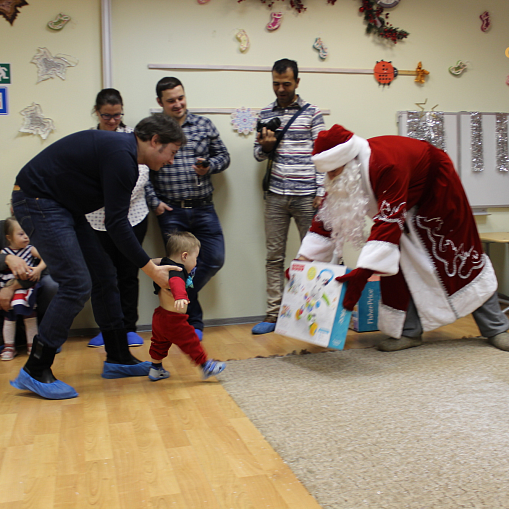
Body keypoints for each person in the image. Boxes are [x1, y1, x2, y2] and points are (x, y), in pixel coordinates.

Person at [9, 113, 187, 400]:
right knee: (76, 284)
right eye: (172, 153)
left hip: (63, 206)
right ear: (155, 141)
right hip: (39, 201)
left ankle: (118, 358)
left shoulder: (124, 154)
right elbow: (117, 224)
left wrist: (147, 266)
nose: (171, 161)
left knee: (104, 275)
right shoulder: (122, 157)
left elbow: (117, 222)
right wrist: (151, 269)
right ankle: (35, 369)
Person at [296, 124, 509, 352]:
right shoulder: (342, 174)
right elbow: (327, 218)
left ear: (348, 162)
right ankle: (408, 332)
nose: (330, 177)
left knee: (459, 259)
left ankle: (496, 328)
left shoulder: (387, 164)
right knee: (396, 263)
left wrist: (364, 271)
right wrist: (303, 261)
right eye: (327, 172)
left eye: (334, 171)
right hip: (402, 201)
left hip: (437, 192)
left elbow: (388, 221)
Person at [145, 77, 230, 340]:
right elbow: (141, 170)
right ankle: (193, 324)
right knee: (179, 269)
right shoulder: (153, 130)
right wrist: (154, 202)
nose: (178, 104)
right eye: (171, 100)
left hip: (204, 207)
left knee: (215, 258)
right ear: (160, 102)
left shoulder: (204, 124)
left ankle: (181, 295)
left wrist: (210, 166)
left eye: (181, 98)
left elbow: (223, 156)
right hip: (171, 212)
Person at [251, 58, 326, 335]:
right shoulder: (264, 113)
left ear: (297, 82)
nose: (280, 89)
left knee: (316, 256)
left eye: (286, 83)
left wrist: (321, 191)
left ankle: (316, 315)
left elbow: (323, 154)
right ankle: (273, 315)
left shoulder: (312, 113)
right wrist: (267, 147)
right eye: (275, 83)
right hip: (275, 196)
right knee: (274, 257)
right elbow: (257, 154)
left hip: (308, 196)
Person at [86, 88, 150, 348]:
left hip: (133, 217)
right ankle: (107, 329)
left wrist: (116, 195)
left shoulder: (134, 137)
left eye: (117, 115)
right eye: (106, 116)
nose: (112, 121)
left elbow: (143, 172)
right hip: (97, 220)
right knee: (103, 276)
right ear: (97, 113)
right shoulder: (89, 139)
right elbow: (84, 178)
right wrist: (108, 196)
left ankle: (128, 328)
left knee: (128, 273)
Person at [149, 231, 226, 381]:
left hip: (159, 316)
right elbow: (176, 282)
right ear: (184, 256)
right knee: (190, 341)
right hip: (174, 320)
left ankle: (155, 369)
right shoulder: (177, 271)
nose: (196, 262)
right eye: (195, 258)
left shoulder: (165, 264)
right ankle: (206, 366)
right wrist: (180, 297)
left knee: (159, 344)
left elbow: (153, 262)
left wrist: (150, 261)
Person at [1, 217, 46, 360]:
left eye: (27, 233)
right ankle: (9, 347)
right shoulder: (4, 252)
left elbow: (46, 258)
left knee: (30, 315)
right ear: (9, 237)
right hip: (7, 289)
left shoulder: (30, 249)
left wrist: (38, 269)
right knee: (9, 317)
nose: (26, 236)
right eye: (21, 234)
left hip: (25, 289)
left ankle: (32, 345)